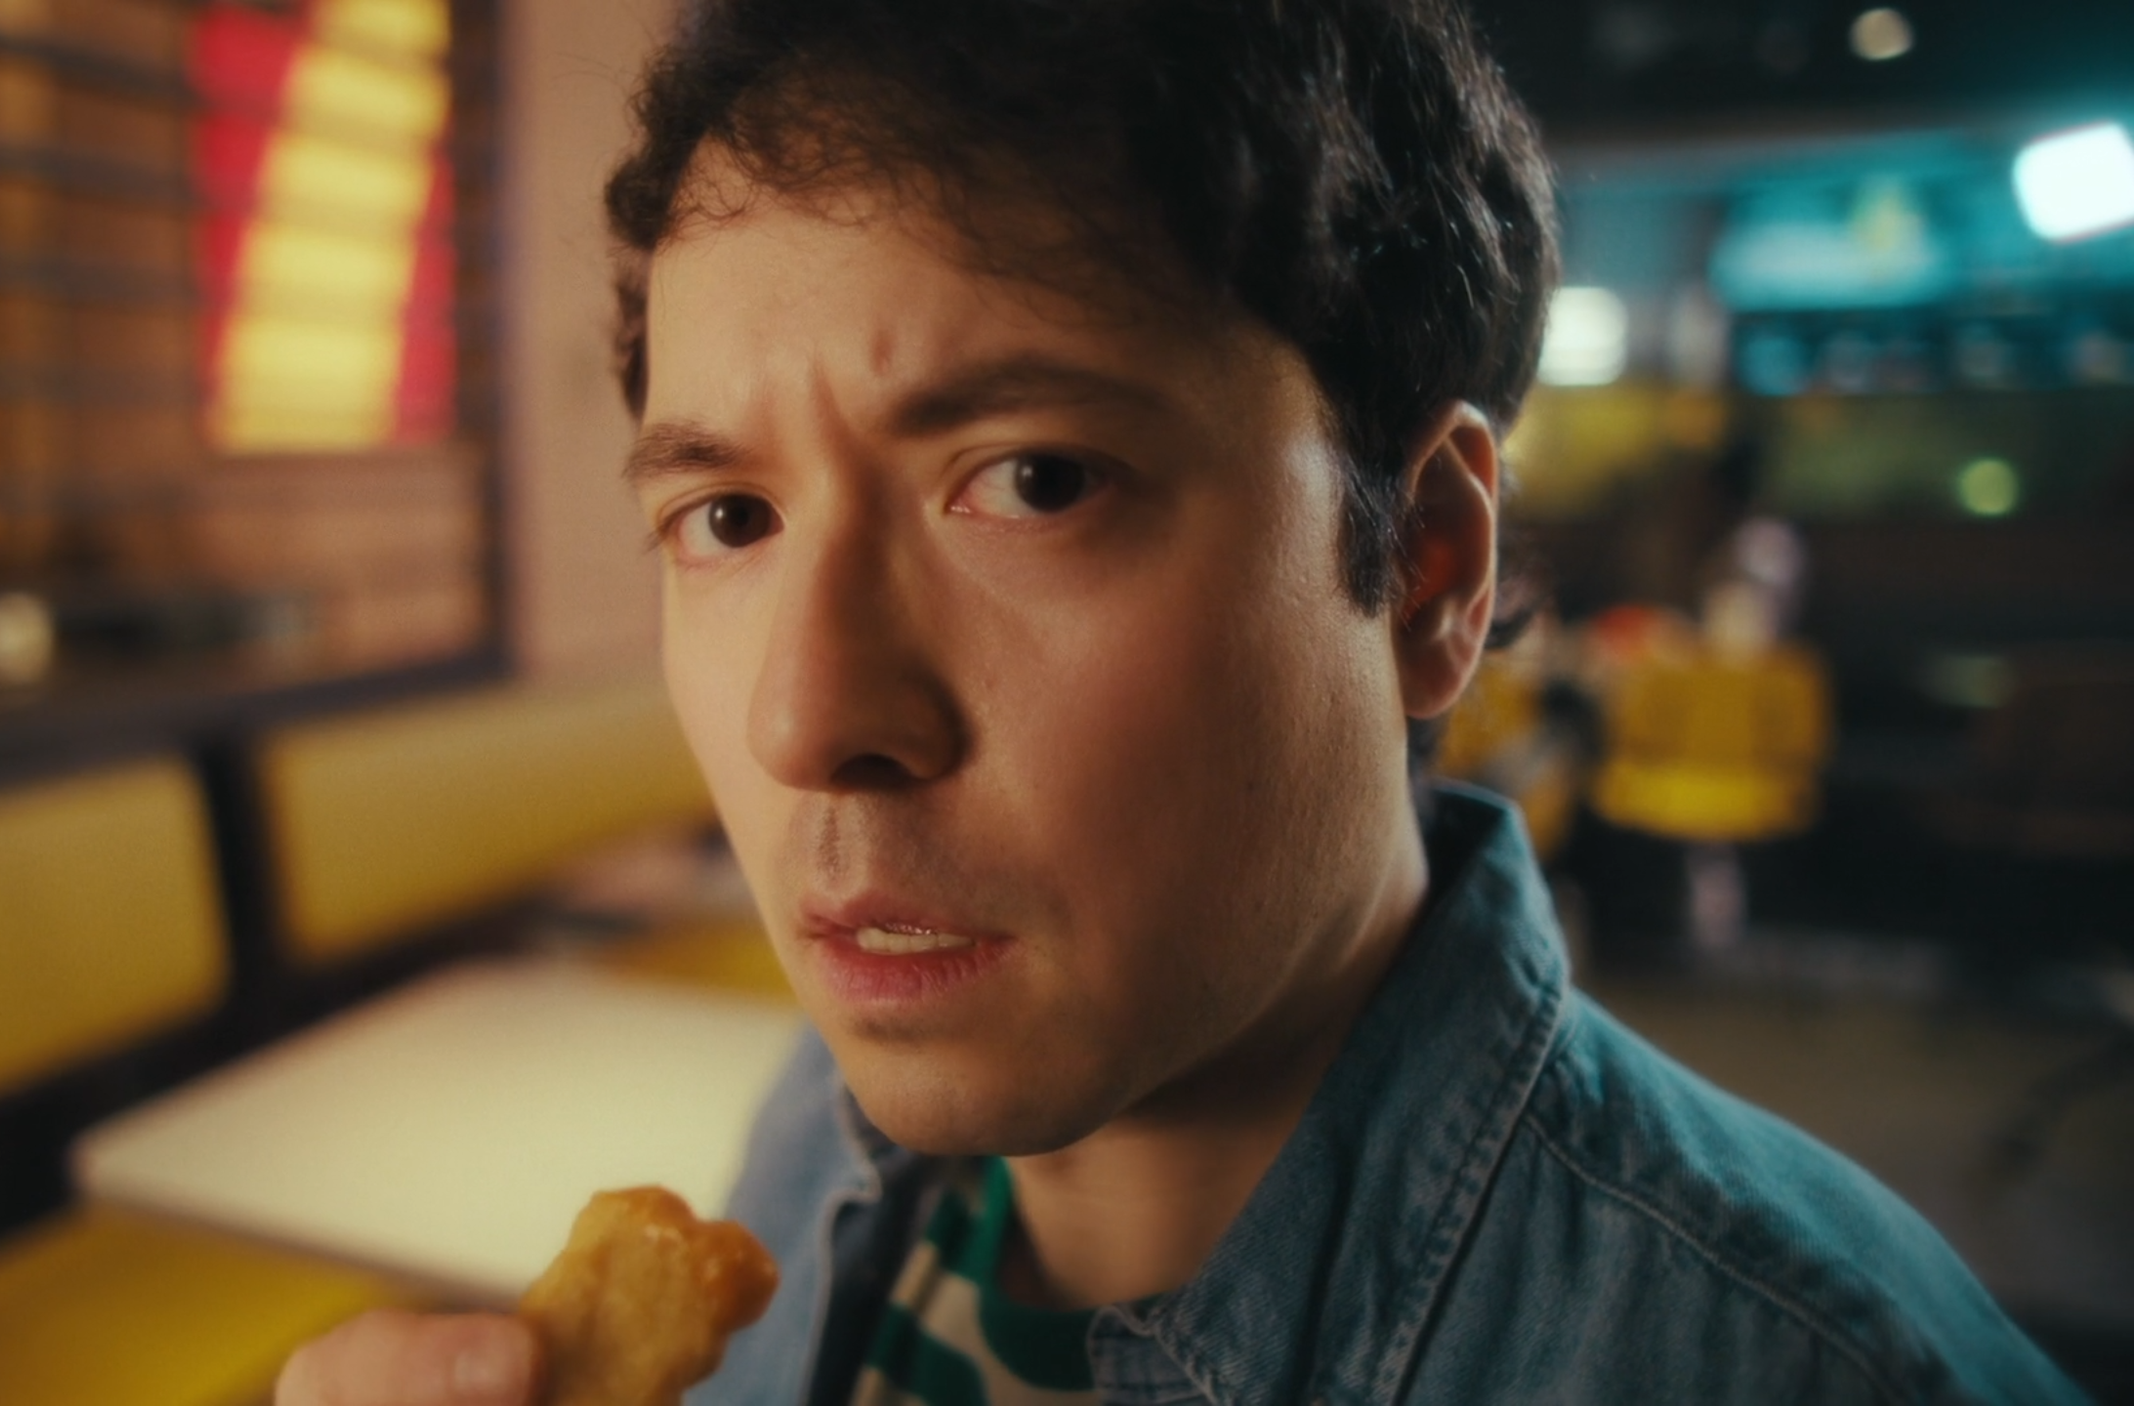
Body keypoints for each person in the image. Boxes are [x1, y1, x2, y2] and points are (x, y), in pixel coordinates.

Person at [278, 0, 2087, 1401]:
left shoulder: (1797, 1366)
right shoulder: (815, 1133)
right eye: (727, 515)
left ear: (1428, 569)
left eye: (1035, 481)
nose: (804, 718)